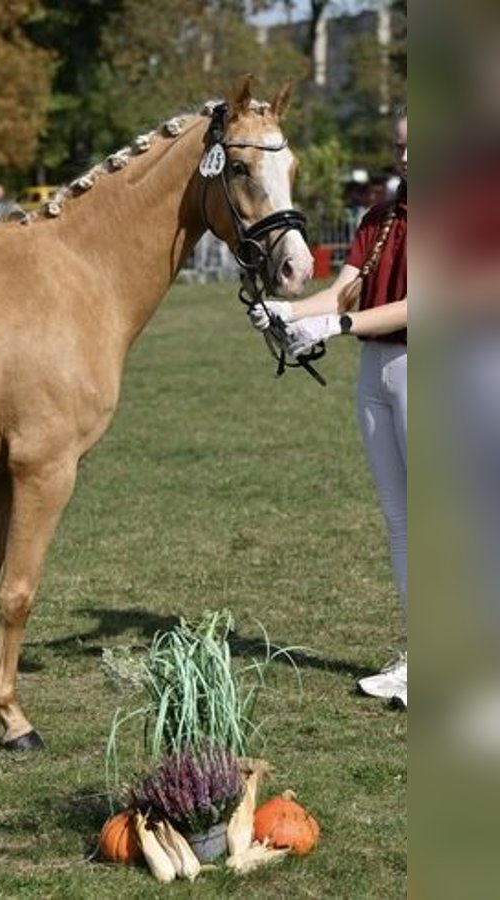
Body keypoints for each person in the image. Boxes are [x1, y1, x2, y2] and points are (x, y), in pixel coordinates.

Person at [249, 105, 408, 706]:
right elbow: (344, 286)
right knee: (399, 520)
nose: (406, 158)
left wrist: (338, 325)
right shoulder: (383, 216)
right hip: (376, 370)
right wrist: (287, 313)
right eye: (398, 146)